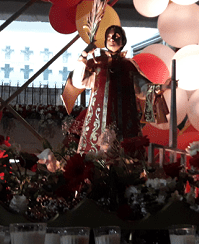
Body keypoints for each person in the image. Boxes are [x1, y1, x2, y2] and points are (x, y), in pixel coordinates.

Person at [62, 25, 170, 154]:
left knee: (127, 156)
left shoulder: (129, 66)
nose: (112, 39)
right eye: (108, 37)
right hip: (98, 122)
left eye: (116, 36)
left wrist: (162, 87)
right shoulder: (96, 64)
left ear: (123, 41)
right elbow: (78, 82)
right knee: (95, 157)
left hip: (125, 120)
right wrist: (83, 56)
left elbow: (142, 89)